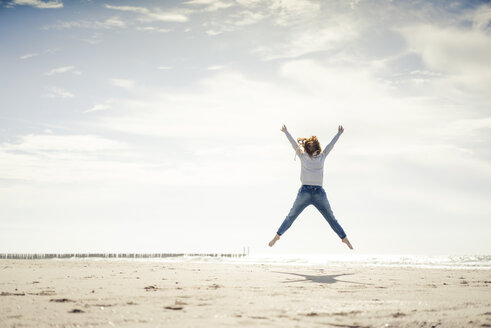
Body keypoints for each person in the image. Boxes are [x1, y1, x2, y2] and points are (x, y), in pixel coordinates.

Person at [269, 124, 353, 250]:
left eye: (312, 145)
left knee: (331, 218)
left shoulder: (322, 156)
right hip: (305, 192)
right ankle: (277, 236)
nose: (310, 146)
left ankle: (344, 239)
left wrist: (338, 134)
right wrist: (286, 132)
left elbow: (331, 145)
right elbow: (294, 145)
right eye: (308, 145)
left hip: (319, 193)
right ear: (307, 147)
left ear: (316, 145)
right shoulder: (303, 156)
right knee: (291, 216)